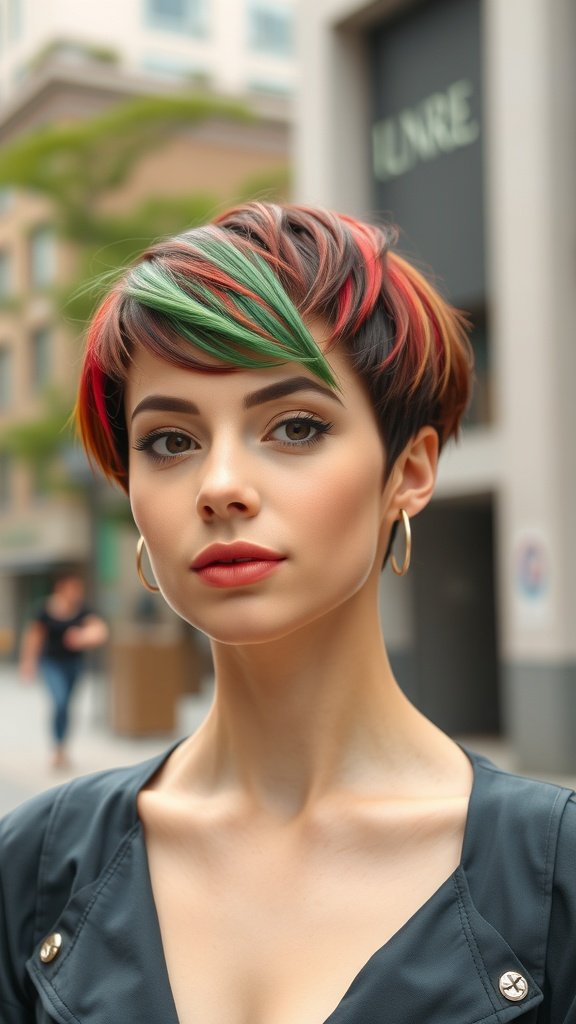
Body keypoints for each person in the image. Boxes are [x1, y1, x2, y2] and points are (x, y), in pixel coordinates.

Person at [0, 202, 574, 1023]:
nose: (220, 485)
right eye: (169, 441)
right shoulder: (35, 869)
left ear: (409, 471)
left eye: (295, 426)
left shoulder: (553, 883)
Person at [18, 570, 108, 769]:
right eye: (71, 589)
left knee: (67, 705)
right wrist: (28, 662)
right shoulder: (45, 609)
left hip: (74, 664)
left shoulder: (82, 610)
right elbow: (34, 636)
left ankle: (62, 747)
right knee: (58, 701)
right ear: (61, 589)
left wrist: (83, 636)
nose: (75, 593)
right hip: (50, 663)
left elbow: (100, 630)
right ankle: (57, 747)